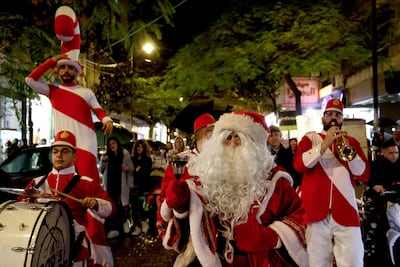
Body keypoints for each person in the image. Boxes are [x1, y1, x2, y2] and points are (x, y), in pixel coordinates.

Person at [162, 110, 308, 266]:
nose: (232, 143)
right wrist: (182, 206)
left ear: (253, 143)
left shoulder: (275, 180)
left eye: (238, 137)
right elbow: (194, 228)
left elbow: (299, 217)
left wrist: (270, 237)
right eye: (228, 138)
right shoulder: (208, 178)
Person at [25, 5, 113, 182]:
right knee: (64, 185)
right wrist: (51, 61)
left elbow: (99, 111)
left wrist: (107, 119)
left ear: (76, 72)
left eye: (70, 68)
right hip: (64, 146)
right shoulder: (53, 91)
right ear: (58, 71)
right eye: (62, 67)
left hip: (86, 145)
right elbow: (30, 80)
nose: (66, 70)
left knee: (88, 183)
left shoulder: (86, 92)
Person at [19, 130, 116, 266]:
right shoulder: (37, 183)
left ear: (74, 156)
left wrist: (95, 203)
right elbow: (20, 210)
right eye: (55, 151)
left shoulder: (85, 182)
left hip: (75, 250)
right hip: (44, 252)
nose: (59, 155)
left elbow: (111, 209)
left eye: (65, 151)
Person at [293, 98, 370, 267]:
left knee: (353, 260)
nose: (333, 117)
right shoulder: (310, 139)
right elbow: (300, 165)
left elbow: (363, 175)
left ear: (343, 119)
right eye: (329, 114)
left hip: (346, 209)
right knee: (317, 262)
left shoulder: (352, 142)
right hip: (316, 212)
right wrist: (325, 143)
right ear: (323, 117)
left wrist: (350, 150)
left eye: (338, 114)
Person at [363, 138, 400, 266]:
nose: (394, 155)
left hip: (397, 203)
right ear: (383, 152)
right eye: (391, 153)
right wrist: (375, 185)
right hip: (378, 202)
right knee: (374, 228)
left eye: (396, 152)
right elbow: (367, 178)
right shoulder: (375, 166)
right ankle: (369, 253)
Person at [100, 137, 134, 239]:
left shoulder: (124, 153)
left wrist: (127, 169)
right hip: (110, 184)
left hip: (122, 184)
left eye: (113, 143)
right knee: (111, 205)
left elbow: (131, 168)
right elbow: (101, 170)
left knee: (122, 206)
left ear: (117, 143)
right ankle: (113, 228)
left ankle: (123, 225)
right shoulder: (106, 155)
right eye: (110, 144)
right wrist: (103, 161)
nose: (112, 146)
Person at [131, 139, 153, 234]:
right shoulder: (133, 159)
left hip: (143, 187)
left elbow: (146, 174)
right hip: (133, 187)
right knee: (133, 208)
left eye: (141, 147)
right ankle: (137, 226)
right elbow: (132, 173)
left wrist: (138, 171)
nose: (139, 148)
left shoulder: (147, 159)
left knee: (141, 207)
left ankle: (144, 224)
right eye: (138, 147)